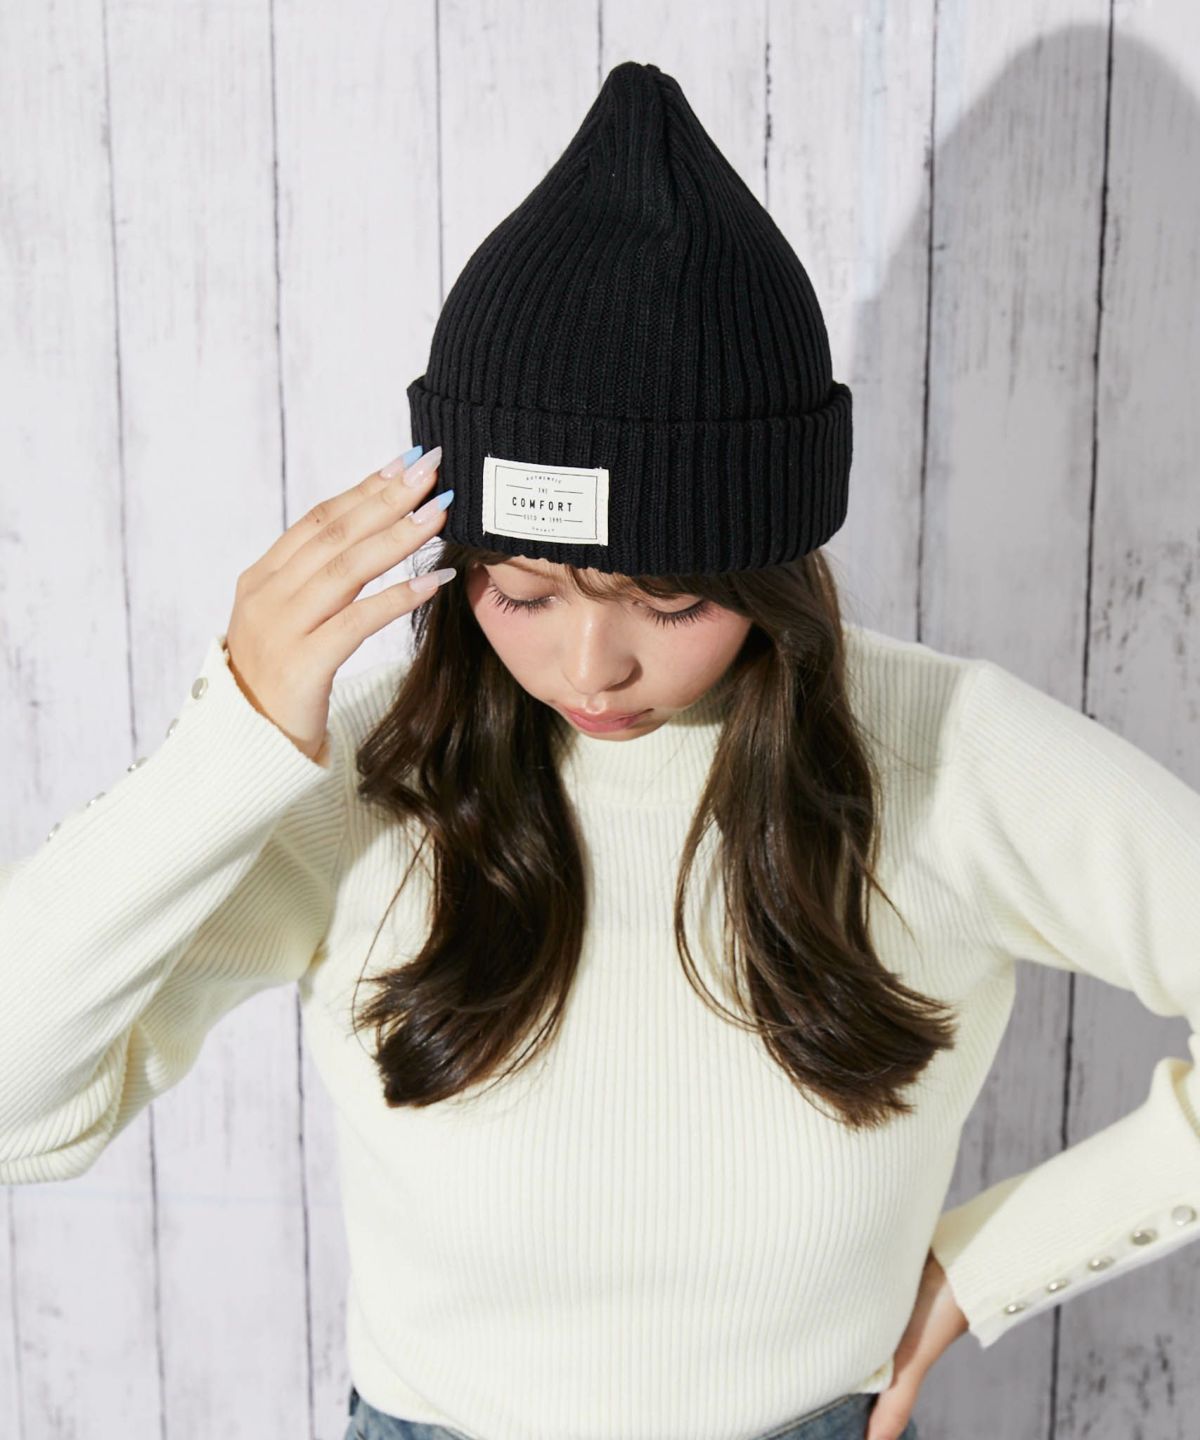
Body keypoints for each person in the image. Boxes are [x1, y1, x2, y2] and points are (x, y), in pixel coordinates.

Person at [4, 58, 1200, 1440]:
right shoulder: (355, 775)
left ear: (770, 567)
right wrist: (234, 737)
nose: (592, 668)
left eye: (672, 603)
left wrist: (999, 1263)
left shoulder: (946, 758)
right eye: (519, 592)